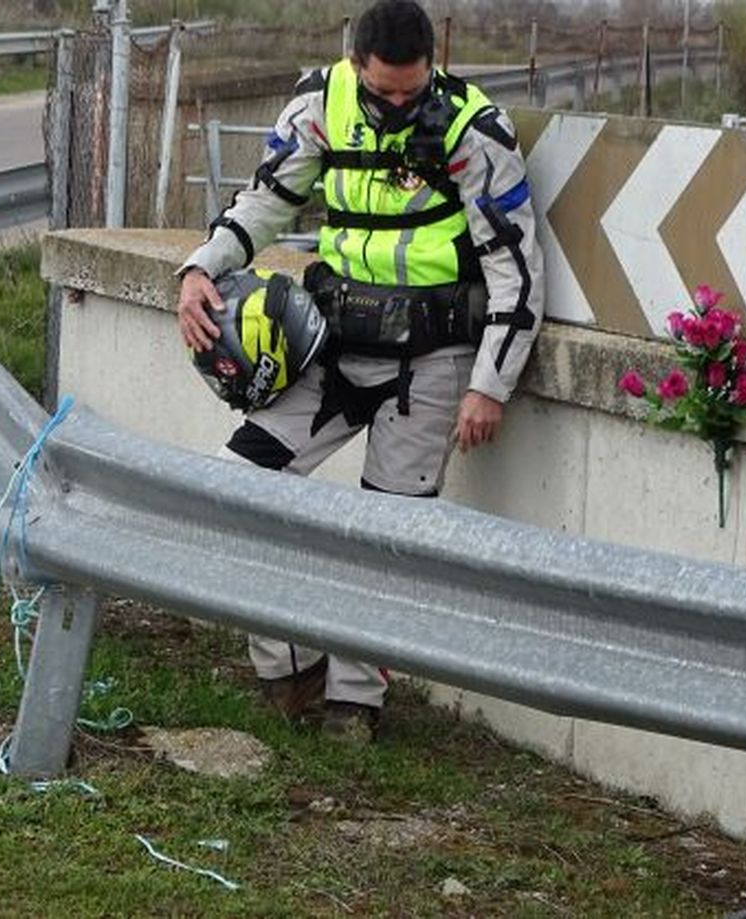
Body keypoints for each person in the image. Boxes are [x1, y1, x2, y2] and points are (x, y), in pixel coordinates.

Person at [175, 0, 544, 744]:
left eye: (414, 93)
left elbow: (517, 271)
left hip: (432, 362)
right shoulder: (321, 106)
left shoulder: (475, 131)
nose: (400, 108)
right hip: (331, 352)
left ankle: (354, 705)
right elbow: (267, 203)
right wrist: (199, 268)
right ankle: (292, 668)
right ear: (356, 67)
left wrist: (488, 384)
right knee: (234, 489)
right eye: (385, 94)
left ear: (432, 66)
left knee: (386, 537)